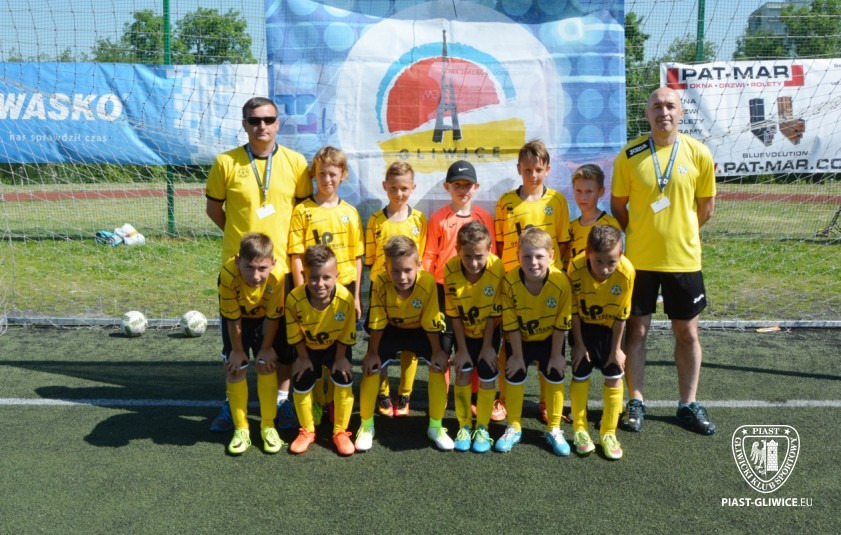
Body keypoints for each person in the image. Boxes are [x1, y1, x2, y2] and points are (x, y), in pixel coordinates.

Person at [611, 86, 717, 435]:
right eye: (656, 106)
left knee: (687, 333)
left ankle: (688, 403)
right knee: (637, 331)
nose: (664, 112)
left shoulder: (699, 153)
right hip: (639, 261)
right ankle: (636, 401)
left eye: (671, 105)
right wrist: (642, 232)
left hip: (684, 261)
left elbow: (706, 208)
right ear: (646, 114)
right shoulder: (630, 155)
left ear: (681, 113)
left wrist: (679, 233)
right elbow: (618, 206)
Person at [206, 96, 312, 432]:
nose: (261, 126)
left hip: (281, 271)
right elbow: (214, 210)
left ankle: (281, 401)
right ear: (244, 125)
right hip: (238, 269)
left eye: (267, 120)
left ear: (278, 123)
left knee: (281, 345)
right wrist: (243, 249)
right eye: (254, 121)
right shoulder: (226, 162)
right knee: (234, 343)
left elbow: (304, 213)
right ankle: (232, 405)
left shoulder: (296, 163)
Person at [494, 139, 571, 424]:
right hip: (514, 286)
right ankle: (504, 399)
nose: (533, 175)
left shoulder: (557, 201)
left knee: (548, 346)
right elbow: (499, 245)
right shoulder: (505, 202)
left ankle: (545, 402)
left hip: (548, 285)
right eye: (527, 170)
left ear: (547, 169)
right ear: (518, 169)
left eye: (538, 169)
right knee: (509, 345)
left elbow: (564, 243)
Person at [422, 160, 505, 422]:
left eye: (467, 185)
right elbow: (429, 254)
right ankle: (442, 396)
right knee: (445, 346)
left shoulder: (483, 217)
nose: (462, 190)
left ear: (476, 187)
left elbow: (491, 255)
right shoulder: (438, 218)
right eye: (457, 185)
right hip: (443, 290)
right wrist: (426, 287)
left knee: (477, 344)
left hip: (478, 291)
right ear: (447, 186)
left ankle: (475, 397)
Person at [355, 236, 453, 452]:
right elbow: (378, 319)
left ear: (418, 265)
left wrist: (437, 351)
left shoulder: (427, 282)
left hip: (420, 330)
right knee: (371, 368)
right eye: (396, 271)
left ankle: (436, 427)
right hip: (392, 329)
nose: (402, 277)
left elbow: (430, 320)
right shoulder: (380, 282)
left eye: (408, 270)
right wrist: (372, 352)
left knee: (439, 366)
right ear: (386, 268)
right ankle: (366, 425)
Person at [288, 146, 363, 425]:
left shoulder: (350, 213)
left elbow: (357, 257)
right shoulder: (302, 210)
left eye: (332, 174)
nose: (327, 179)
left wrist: (356, 296)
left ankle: (334, 404)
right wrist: (301, 294)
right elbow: (297, 255)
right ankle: (318, 402)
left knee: (340, 352)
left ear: (343, 175)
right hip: (312, 293)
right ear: (314, 175)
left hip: (342, 294)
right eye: (321, 174)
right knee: (313, 349)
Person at [497, 227, 572, 455]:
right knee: (514, 372)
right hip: (520, 340)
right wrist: (517, 356)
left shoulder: (560, 281)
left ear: (551, 256)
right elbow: (510, 323)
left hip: (550, 339)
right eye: (527, 256)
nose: (533, 262)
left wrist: (557, 355)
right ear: (518, 255)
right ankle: (514, 426)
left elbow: (561, 322)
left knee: (555, 373)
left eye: (539, 256)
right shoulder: (509, 282)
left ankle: (554, 428)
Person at [364, 161, 427, 418]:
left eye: (404, 188)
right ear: (384, 186)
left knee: (410, 347)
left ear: (413, 188)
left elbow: (421, 258)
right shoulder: (375, 220)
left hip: (410, 292)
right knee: (380, 343)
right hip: (382, 293)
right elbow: (370, 259)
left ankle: (404, 394)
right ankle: (383, 393)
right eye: (393, 188)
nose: (399, 194)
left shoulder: (419, 219)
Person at [567, 225, 635, 460]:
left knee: (614, 376)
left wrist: (616, 350)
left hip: (610, 330)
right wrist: (578, 344)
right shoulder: (575, 267)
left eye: (611, 262)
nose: (605, 269)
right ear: (588, 253)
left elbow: (621, 316)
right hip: (583, 329)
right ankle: (580, 430)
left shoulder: (627, 272)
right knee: (580, 374)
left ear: (621, 255)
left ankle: (608, 432)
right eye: (598, 261)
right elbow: (573, 310)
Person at [217, 233, 286, 455]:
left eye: (262, 269)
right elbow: (232, 318)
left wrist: (266, 348)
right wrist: (237, 350)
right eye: (249, 267)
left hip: (263, 320)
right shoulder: (227, 274)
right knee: (235, 368)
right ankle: (241, 429)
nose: (256, 276)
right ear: (238, 261)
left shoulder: (278, 276)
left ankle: (268, 426)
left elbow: (273, 317)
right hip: (237, 321)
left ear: (273, 263)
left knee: (266, 364)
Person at [286, 245, 357, 456]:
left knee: (344, 377)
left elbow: (347, 330)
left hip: (336, 348)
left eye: (326, 277)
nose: (320, 284)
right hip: (307, 348)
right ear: (303, 275)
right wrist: (302, 357)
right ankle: (307, 431)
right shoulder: (294, 299)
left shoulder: (345, 298)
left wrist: (341, 357)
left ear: (337, 276)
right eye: (314, 277)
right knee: (301, 380)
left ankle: (340, 432)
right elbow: (294, 331)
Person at [444, 222, 505, 453]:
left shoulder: (497, 267)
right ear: (458, 250)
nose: (473, 262)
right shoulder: (450, 269)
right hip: (464, 332)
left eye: (479, 256)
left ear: (489, 250)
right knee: (462, 372)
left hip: (489, 330)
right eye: (467, 256)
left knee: (487, 374)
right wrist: (461, 349)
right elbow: (454, 314)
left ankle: (482, 427)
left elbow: (494, 313)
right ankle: (464, 426)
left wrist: (488, 347)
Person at [565, 164, 621, 269]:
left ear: (601, 192)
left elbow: (615, 263)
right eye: (578, 191)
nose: (583, 197)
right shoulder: (571, 227)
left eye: (589, 191)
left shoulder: (610, 225)